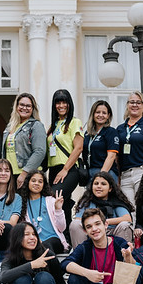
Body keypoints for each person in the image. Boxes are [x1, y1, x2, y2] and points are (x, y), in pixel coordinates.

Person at [46, 89, 84, 238]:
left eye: (64, 102)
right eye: (58, 102)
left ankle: (59, 235)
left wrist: (65, 169)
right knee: (63, 203)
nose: (61, 105)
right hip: (53, 169)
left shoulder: (74, 122)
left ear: (69, 104)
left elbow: (78, 147)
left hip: (68, 169)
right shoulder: (53, 126)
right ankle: (66, 237)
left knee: (54, 199)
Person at [69, 171, 134, 248]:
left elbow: (127, 218)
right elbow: (78, 220)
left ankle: (122, 257)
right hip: (91, 235)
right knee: (75, 224)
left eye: (103, 184)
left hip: (112, 235)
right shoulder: (86, 202)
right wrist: (94, 226)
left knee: (125, 225)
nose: (99, 186)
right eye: (96, 184)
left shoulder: (116, 201)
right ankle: (81, 256)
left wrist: (104, 222)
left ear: (110, 188)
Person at [2, 93, 46, 189]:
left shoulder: (36, 125)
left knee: (25, 203)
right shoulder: (10, 126)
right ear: (16, 106)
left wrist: (24, 173)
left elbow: (40, 151)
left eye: (28, 106)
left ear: (33, 108)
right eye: (21, 105)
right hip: (10, 175)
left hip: (27, 176)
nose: (24, 108)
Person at [18, 170, 68, 255]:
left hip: (54, 240)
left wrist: (58, 210)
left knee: (46, 246)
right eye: (33, 181)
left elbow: (62, 228)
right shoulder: (23, 204)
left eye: (40, 181)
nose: (36, 183)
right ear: (28, 183)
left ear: (43, 185)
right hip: (34, 243)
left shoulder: (51, 201)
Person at [83, 100, 119, 182]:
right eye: (98, 112)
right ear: (93, 114)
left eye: (104, 113)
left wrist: (101, 176)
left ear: (108, 115)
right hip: (90, 173)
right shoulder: (87, 134)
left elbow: (111, 156)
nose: (100, 115)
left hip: (107, 172)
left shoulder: (111, 132)